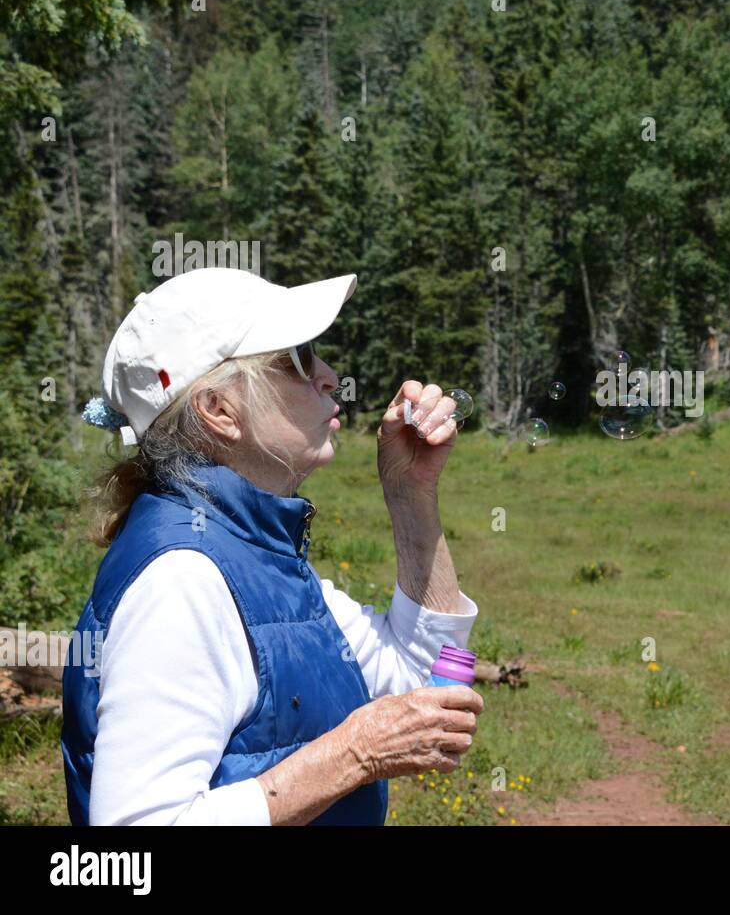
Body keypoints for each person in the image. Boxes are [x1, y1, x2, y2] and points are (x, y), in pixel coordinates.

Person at [61, 267, 484, 825]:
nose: (329, 375)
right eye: (297, 361)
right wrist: (353, 754)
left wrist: (411, 492)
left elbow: (414, 675)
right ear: (219, 411)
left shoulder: (247, 551)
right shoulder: (183, 579)